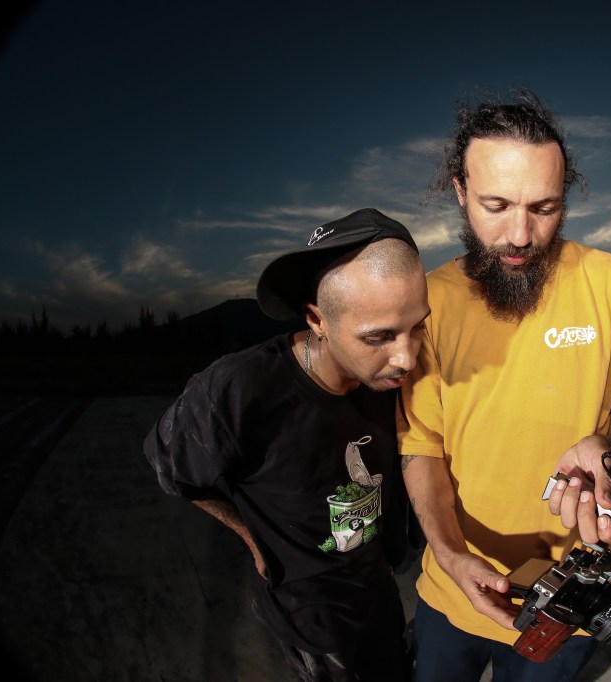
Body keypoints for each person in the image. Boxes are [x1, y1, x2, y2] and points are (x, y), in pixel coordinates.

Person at [397, 89, 611, 681]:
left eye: (544, 207)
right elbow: (420, 446)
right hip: (454, 586)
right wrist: (450, 555)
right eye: (495, 205)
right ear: (460, 191)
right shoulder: (428, 300)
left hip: (573, 593)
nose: (520, 234)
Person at [143, 207, 429, 682]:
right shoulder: (239, 389)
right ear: (317, 319)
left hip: (376, 584)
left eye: (417, 326)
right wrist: (250, 536)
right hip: (310, 610)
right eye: (378, 337)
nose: (406, 357)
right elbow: (174, 472)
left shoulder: (391, 377)